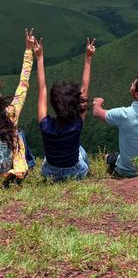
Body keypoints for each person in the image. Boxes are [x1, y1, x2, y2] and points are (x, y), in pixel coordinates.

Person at [34, 36, 95, 181]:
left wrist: (39, 57)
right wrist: (88, 58)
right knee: (81, 151)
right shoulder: (77, 124)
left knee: (47, 158)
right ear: (76, 103)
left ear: (54, 105)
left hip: (50, 173)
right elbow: (84, 90)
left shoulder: (45, 125)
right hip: (75, 173)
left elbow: (42, 89)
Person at [1, 29, 35, 186]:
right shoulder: (10, 113)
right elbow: (23, 83)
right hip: (8, 172)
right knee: (18, 133)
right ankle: (29, 164)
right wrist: (28, 51)